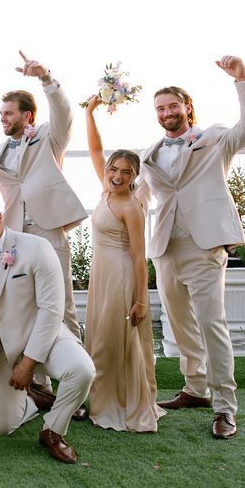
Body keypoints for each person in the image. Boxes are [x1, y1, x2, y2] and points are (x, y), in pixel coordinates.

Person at [139, 55, 245, 439]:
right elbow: (139, 197)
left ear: (187, 108)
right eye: (160, 108)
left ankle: (226, 407)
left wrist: (242, 79)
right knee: (178, 324)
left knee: (212, 324)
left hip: (205, 246)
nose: (166, 112)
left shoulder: (214, 139)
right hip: (165, 248)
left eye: (173, 106)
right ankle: (196, 388)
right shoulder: (149, 154)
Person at [0, 197, 95, 463]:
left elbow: (51, 310)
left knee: (82, 370)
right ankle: (35, 400)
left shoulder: (37, 247)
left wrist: (27, 365)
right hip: (0, 351)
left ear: (0, 217)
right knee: (1, 428)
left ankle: (52, 431)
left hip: (46, 338)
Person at [0, 51, 87, 338]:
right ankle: (37, 379)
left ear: (26, 115)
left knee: (61, 301)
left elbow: (64, 113)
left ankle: (74, 371)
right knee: (24, 304)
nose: (2, 118)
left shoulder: (48, 137)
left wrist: (45, 77)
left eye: (8, 113)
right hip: (13, 236)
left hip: (49, 229)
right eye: (1, 113)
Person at [84, 97, 165, 432]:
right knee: (99, 336)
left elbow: (138, 256)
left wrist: (141, 299)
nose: (117, 176)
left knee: (111, 340)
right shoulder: (106, 190)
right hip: (101, 272)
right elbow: (94, 150)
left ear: (135, 176)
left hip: (119, 276)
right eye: (113, 170)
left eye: (125, 172)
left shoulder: (132, 206)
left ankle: (116, 403)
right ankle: (97, 398)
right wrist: (89, 113)